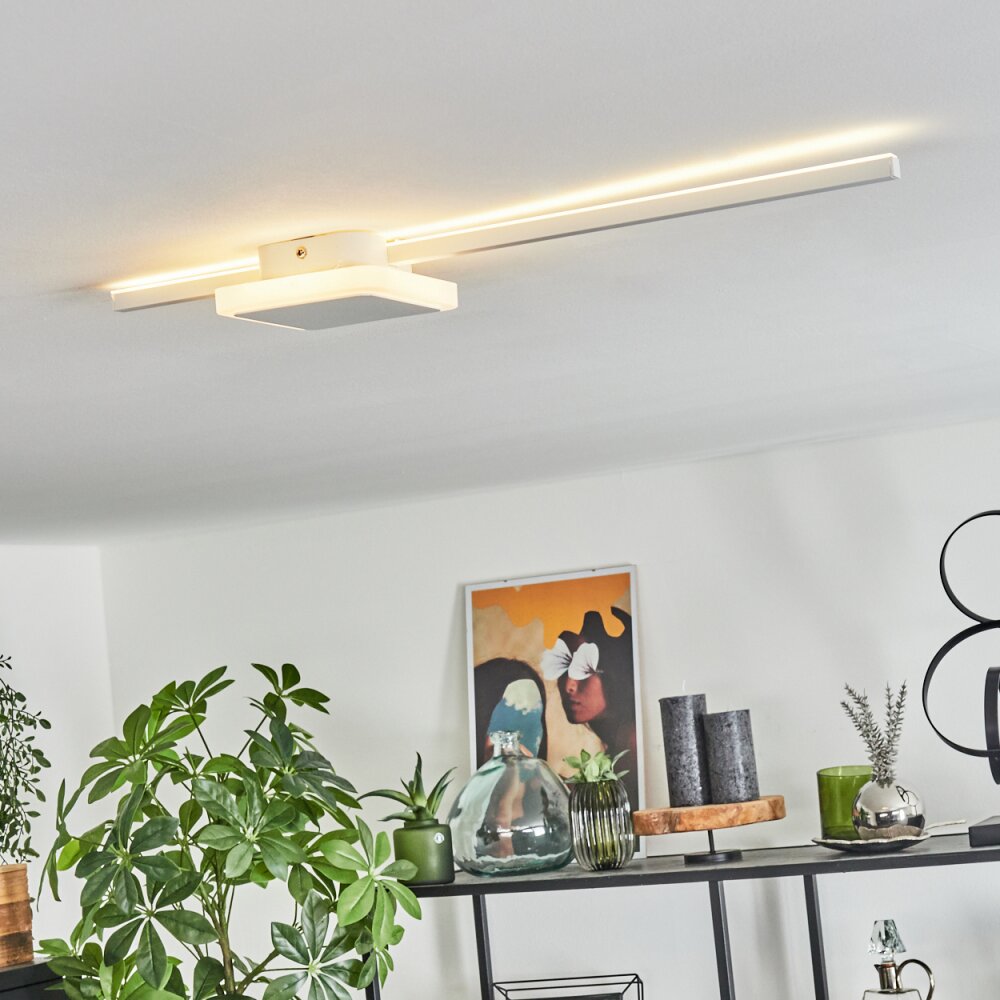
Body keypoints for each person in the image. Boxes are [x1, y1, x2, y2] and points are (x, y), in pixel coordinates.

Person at [542, 607, 639, 807]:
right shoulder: (619, 736)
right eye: (564, 669)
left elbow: (617, 809)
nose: (568, 686)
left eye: (584, 670)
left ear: (614, 672)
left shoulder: (632, 739)